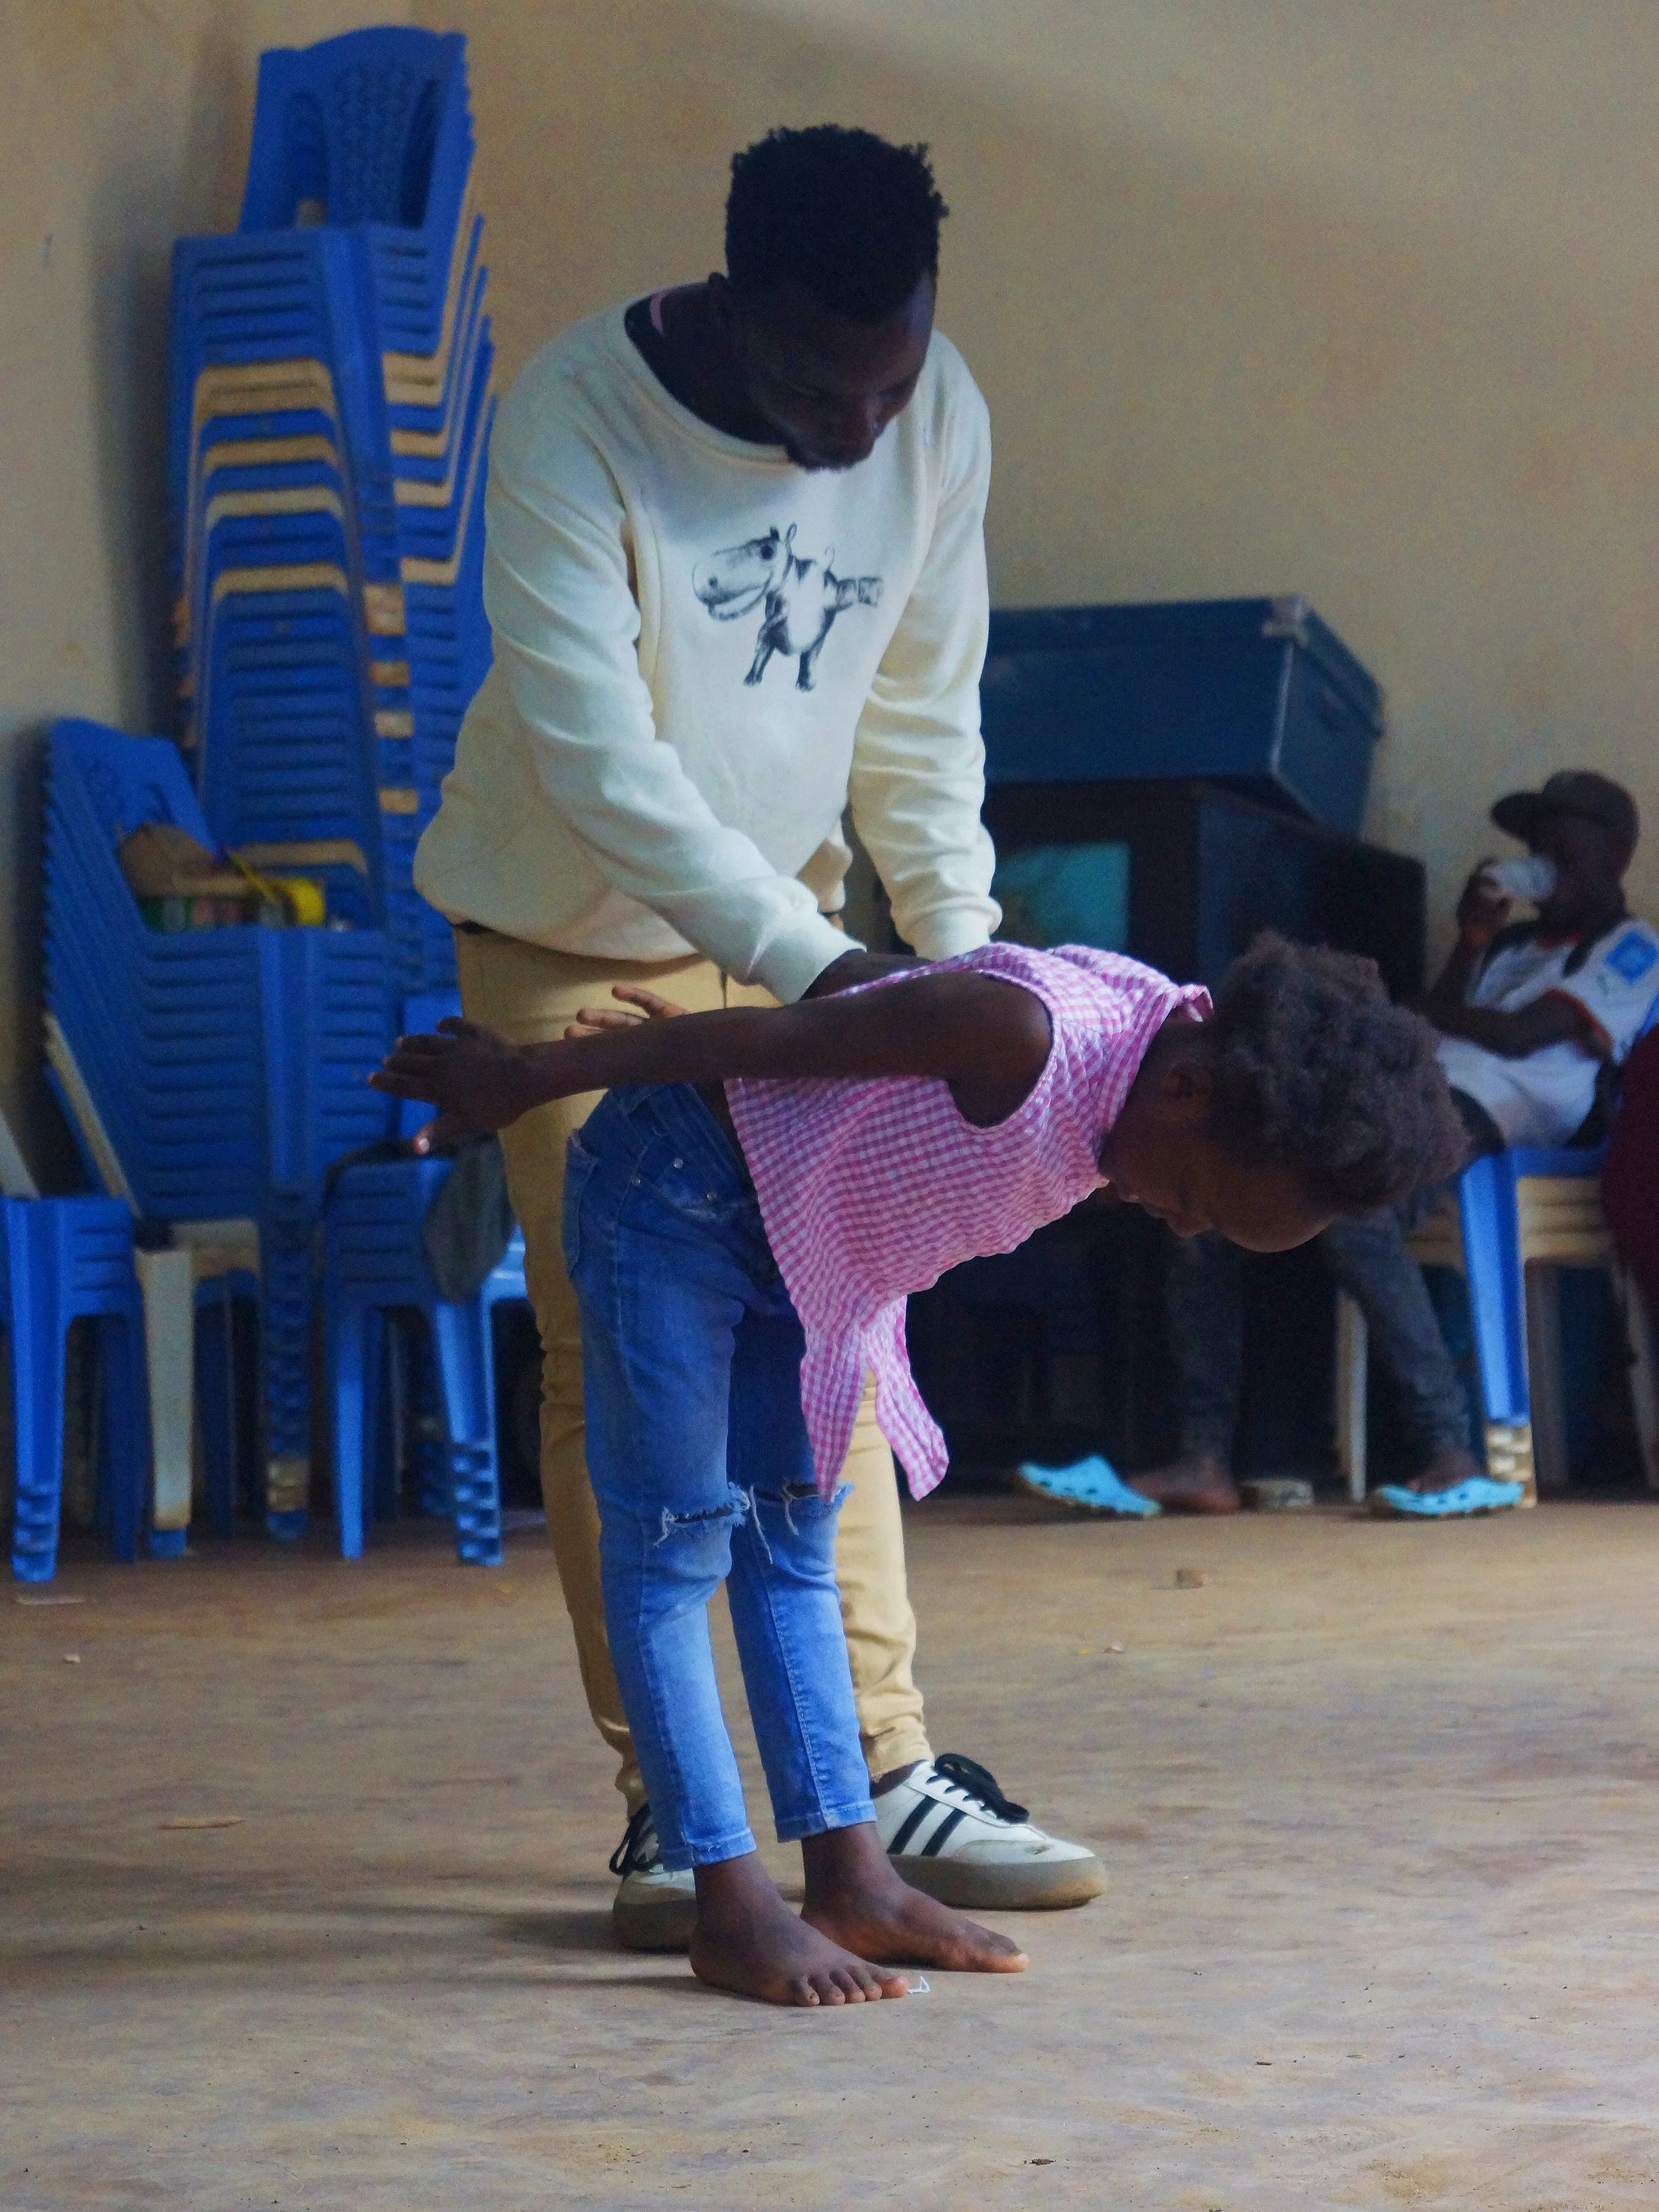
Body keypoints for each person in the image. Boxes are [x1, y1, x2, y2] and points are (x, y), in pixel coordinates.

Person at [411, 123, 1100, 1941]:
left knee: (836, 1332)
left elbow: (918, 715)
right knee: (622, 1371)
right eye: (817, 388)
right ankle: (674, 1806)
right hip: (565, 940)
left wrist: (968, 967)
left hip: (797, 952)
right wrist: (820, 968)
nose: (860, 431)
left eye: (888, 383)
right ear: (731, 308)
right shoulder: (575, 418)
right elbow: (598, 754)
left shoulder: (927, 407)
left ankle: (870, 1774)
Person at [373, 933, 1467, 2004]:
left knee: (791, 1544)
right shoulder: (1030, 1033)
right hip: (675, 1195)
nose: (1178, 1222)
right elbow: (811, 1022)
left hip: (804, 1247)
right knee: (675, 1548)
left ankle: (852, 1877)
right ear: (1185, 1092)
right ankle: (727, 1899)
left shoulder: (1159, 1051)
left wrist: (721, 1054)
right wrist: (526, 1077)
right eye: (1194, 1197)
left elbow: (889, 986)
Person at [1022, 771, 1659, 1523]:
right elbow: (1441, 1016)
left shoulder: (1633, 948)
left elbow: (1517, 1036)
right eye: (1536, 845)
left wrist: (1412, 1015)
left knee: (1355, 1216)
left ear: (1616, 855)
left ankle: (1447, 1450)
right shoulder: (1513, 946)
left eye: (1566, 848)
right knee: (1203, 1210)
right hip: (1424, 1100)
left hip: (1502, 1114)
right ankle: (1204, 1456)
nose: (1544, 862)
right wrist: (1472, 940)